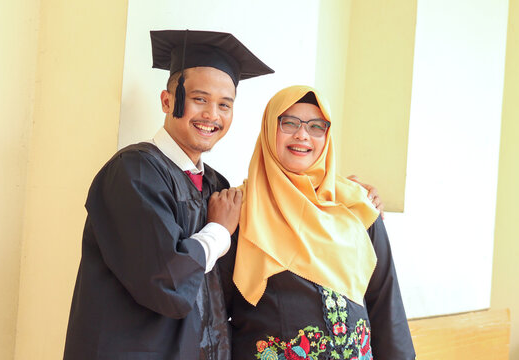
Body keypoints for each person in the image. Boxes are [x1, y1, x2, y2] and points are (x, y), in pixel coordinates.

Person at [63, 30, 274, 360]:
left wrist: (345, 196)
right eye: (200, 99)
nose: (212, 115)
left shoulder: (217, 186)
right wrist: (217, 231)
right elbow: (166, 280)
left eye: (224, 105)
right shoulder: (133, 172)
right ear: (167, 100)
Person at [219, 85, 416, 359]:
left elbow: (385, 302)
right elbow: (215, 311)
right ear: (268, 129)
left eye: (316, 126)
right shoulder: (239, 210)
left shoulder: (356, 206)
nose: (302, 135)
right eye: (289, 123)